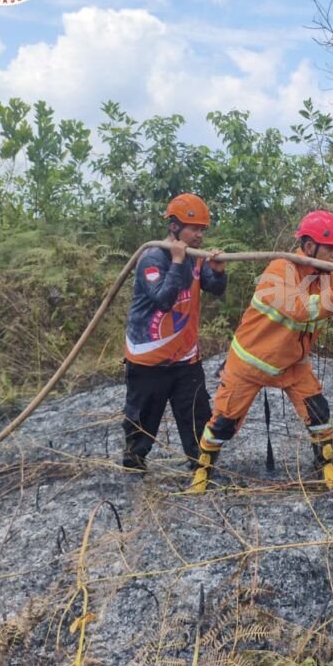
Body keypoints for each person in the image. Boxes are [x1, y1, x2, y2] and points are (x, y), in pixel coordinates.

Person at [188, 210, 333, 493]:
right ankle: (201, 474)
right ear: (308, 246)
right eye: (331, 248)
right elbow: (300, 309)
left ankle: (325, 472)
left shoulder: (328, 275)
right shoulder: (280, 270)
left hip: (292, 364)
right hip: (251, 364)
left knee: (319, 413)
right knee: (223, 423)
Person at [122, 193, 226, 472]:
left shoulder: (195, 258)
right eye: (194, 229)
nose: (199, 235)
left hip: (185, 359)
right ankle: (133, 469)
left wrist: (218, 271)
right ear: (174, 227)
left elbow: (215, 288)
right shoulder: (152, 257)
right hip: (148, 359)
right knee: (142, 422)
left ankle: (202, 469)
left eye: (203, 230)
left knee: (197, 418)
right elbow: (164, 299)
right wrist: (178, 263)